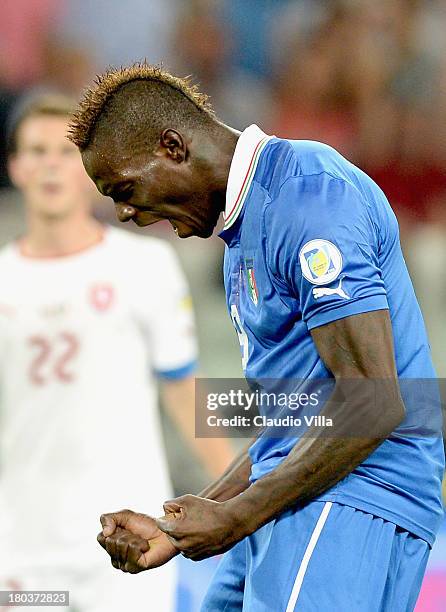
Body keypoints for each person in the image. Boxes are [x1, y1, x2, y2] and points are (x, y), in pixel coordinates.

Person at [68, 64, 445, 611]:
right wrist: (183, 523)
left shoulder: (310, 196)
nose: (124, 212)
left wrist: (236, 516)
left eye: (124, 189)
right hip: (296, 496)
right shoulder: (242, 230)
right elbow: (291, 419)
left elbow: (372, 396)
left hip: (356, 497)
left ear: (173, 147)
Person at [0, 93, 233, 612]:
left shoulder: (144, 267)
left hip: (128, 536)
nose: (50, 167)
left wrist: (233, 506)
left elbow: (183, 392)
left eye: (64, 153)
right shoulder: (3, 281)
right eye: (35, 152)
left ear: (87, 167)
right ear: (15, 167)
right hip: (24, 547)